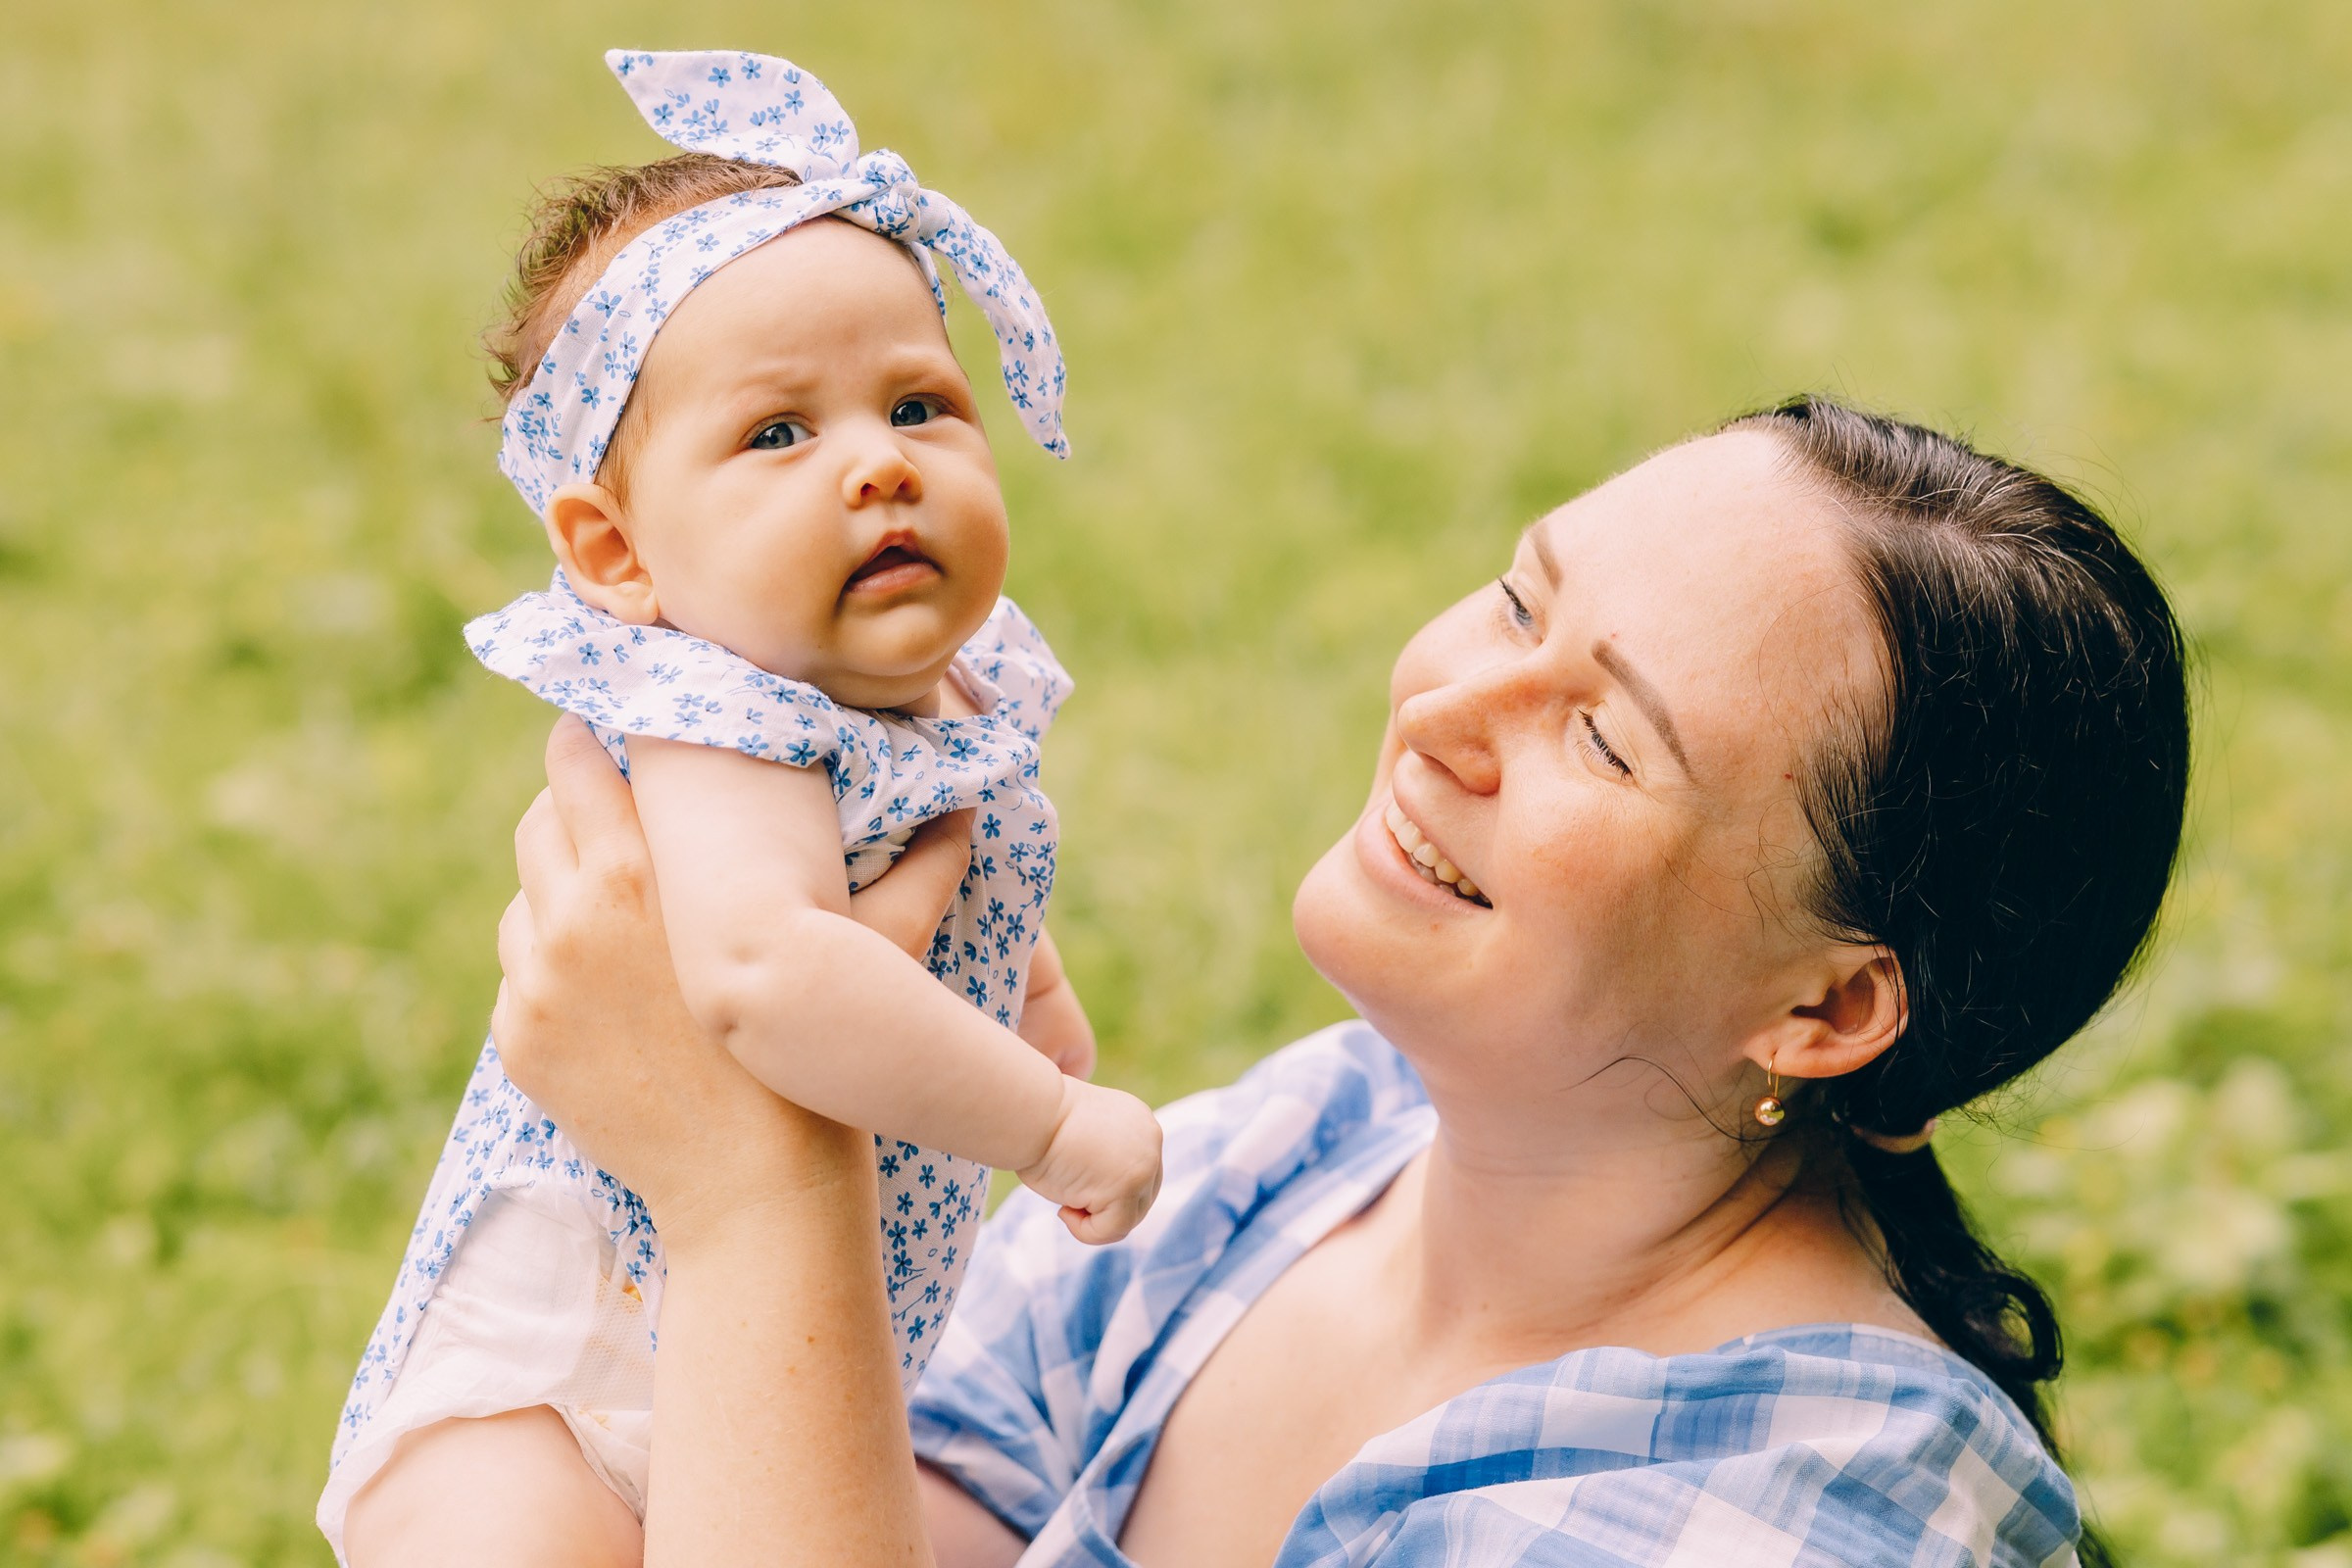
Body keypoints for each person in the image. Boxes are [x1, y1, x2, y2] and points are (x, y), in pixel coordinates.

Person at [369, 398, 2186, 1565]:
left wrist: (756, 1187)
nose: (1451, 710)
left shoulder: (1796, 1521)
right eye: (1518, 600)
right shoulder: (1315, 1153)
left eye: (1607, 739)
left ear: (1830, 1010)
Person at [318, 50, 1161, 1560]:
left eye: (919, 403)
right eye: (779, 433)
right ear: (620, 554)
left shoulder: (933, 692)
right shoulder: (719, 720)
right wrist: (1045, 1124)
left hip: (765, 1338)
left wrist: (1024, 992)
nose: (878, 466)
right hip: (556, 1379)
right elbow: (767, 972)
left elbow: (960, 868)